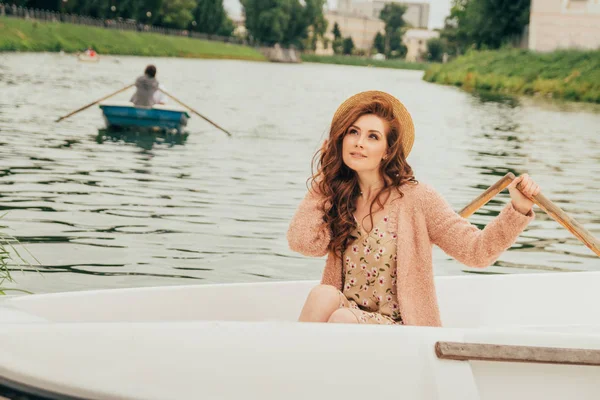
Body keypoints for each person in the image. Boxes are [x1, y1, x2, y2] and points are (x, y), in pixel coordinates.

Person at [287, 91, 540, 327]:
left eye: (373, 136)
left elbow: (477, 252)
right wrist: (324, 179)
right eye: (353, 132)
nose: (359, 143)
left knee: (343, 318)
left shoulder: (418, 199)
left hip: (403, 328)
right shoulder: (340, 196)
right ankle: (293, 370)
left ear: (387, 151)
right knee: (322, 295)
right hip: (347, 316)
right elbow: (303, 243)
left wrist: (517, 209)